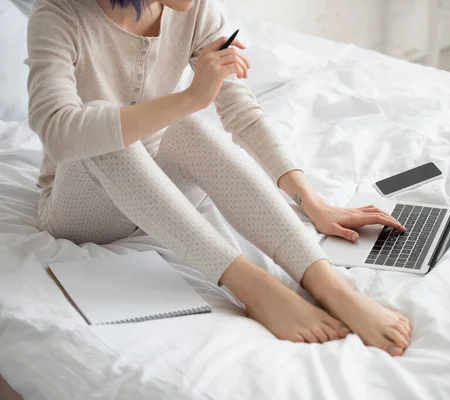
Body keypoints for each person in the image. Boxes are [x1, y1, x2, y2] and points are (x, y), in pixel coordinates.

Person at [26, 0, 412, 356]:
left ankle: (326, 282)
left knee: (187, 126)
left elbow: (240, 110)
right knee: (107, 126)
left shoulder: (192, 9)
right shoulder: (58, 15)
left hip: (161, 191)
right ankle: (253, 287)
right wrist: (189, 98)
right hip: (81, 212)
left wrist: (310, 201)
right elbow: (58, 131)